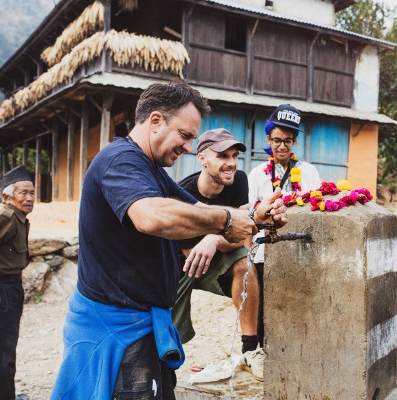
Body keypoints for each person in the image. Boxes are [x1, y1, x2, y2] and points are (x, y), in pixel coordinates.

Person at [50, 81, 287, 400]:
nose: (189, 147)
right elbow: (151, 216)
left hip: (144, 322)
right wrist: (228, 220)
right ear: (157, 121)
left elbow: (200, 209)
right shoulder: (119, 160)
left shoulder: (153, 171)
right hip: (116, 329)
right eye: (185, 136)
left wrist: (255, 216)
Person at [171, 128, 263, 380]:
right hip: (181, 265)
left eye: (234, 156)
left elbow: (246, 235)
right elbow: (194, 254)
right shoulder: (183, 194)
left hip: (213, 259)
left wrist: (212, 237)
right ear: (202, 158)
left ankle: (250, 350)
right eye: (223, 156)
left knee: (246, 266)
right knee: (167, 341)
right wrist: (227, 231)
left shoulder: (239, 180)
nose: (231, 163)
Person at [247, 104, 321, 347]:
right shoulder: (257, 174)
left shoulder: (309, 172)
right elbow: (248, 216)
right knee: (262, 307)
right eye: (277, 140)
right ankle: (259, 352)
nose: (282, 146)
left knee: (296, 302)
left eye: (288, 140)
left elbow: (315, 210)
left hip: (297, 250)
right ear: (268, 139)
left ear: (294, 142)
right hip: (263, 253)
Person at [0, 165, 34, 400]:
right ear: (7, 196)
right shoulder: (4, 217)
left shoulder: (18, 217)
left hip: (9, 285)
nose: (30, 198)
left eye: (32, 193)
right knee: (3, 354)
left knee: (0, 351)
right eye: (23, 193)